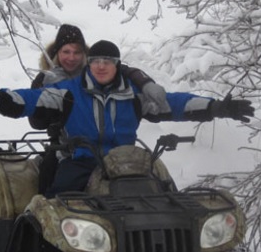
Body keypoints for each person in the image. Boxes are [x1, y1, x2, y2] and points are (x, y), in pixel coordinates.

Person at [0, 40, 253, 196]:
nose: (101, 66)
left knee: (163, 195)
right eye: (96, 61)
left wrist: (217, 108)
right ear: (90, 64)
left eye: (108, 62)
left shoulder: (135, 96)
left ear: (117, 65)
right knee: (58, 202)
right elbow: (30, 99)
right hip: (80, 161)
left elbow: (175, 104)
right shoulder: (67, 92)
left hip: (128, 163)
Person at [29, 25, 170, 191]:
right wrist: (50, 112)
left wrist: (145, 82)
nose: (71, 57)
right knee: (52, 180)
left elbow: (121, 68)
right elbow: (36, 121)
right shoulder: (47, 79)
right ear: (56, 53)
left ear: (85, 55)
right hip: (67, 146)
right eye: (66, 52)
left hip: (111, 147)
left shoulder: (96, 72)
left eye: (77, 52)